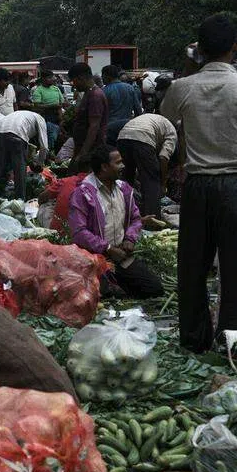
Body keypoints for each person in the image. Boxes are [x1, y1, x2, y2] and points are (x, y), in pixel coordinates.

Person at [160, 14, 237, 353]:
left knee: (193, 266)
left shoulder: (182, 87)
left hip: (198, 186)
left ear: (198, 49)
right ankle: (236, 343)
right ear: (236, 46)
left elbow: (165, 123)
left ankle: (194, 339)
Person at [69, 145, 164, 299]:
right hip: (95, 258)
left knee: (154, 289)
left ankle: (115, 282)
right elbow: (79, 233)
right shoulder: (83, 193)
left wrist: (129, 238)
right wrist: (107, 248)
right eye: (118, 163)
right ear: (104, 167)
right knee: (104, 294)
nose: (123, 166)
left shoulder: (124, 189)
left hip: (120, 255)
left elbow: (135, 219)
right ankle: (109, 282)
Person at [116, 113, 177, 219]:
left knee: (127, 181)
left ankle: (124, 216)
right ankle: (152, 222)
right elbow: (163, 158)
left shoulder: (158, 120)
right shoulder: (172, 133)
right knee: (152, 182)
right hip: (143, 138)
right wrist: (163, 183)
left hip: (123, 136)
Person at [0, 109, 49, 199]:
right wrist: (40, 163)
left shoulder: (23, 114)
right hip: (17, 134)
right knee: (20, 170)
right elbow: (44, 146)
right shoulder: (40, 119)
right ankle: (20, 200)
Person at [67, 62, 109, 171]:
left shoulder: (95, 96)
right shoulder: (88, 93)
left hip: (91, 151)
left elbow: (94, 126)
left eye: (73, 81)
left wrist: (83, 154)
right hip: (83, 147)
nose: (73, 84)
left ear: (81, 78)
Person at [103, 65, 143, 144]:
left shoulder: (104, 91)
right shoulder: (130, 88)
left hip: (110, 130)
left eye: (103, 76)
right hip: (127, 127)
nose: (102, 78)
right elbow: (138, 110)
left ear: (107, 76)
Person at [30, 69, 66, 147]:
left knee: (58, 140)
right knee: (49, 140)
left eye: (52, 77)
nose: (53, 79)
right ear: (43, 79)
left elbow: (61, 103)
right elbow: (36, 107)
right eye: (50, 78)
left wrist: (61, 118)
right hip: (46, 119)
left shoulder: (56, 89)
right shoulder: (38, 91)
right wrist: (51, 106)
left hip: (58, 118)